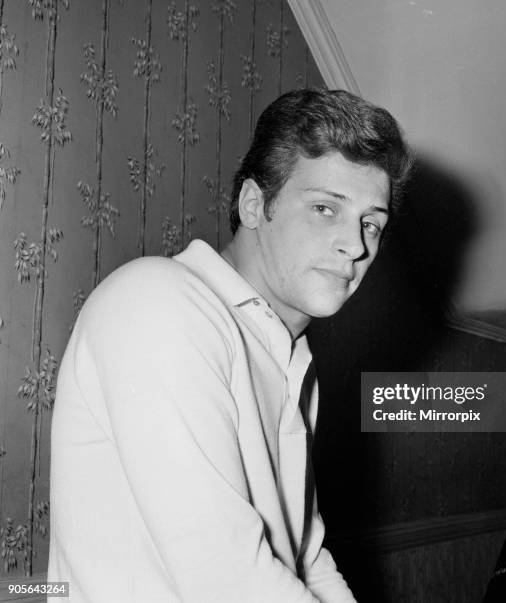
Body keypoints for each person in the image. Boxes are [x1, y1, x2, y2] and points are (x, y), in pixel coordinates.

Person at [47, 88, 413, 602]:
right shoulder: (159, 300)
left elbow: (304, 558)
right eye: (326, 209)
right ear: (254, 204)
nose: (355, 245)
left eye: (371, 223)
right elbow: (227, 578)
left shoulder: (288, 358)